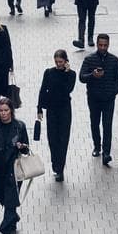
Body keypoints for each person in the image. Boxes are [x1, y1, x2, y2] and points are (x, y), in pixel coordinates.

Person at [0, 97, 30, 234]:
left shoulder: (19, 126)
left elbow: (26, 149)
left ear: (11, 110)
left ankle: (5, 231)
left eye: (6, 110)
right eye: (1, 111)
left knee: (11, 197)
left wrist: (21, 146)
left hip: (14, 168)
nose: (3, 114)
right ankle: (13, 218)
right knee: (5, 199)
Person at [80, 33, 118, 165]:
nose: (103, 47)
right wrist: (92, 75)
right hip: (94, 98)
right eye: (100, 45)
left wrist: (114, 92)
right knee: (94, 123)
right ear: (97, 44)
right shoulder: (89, 59)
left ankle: (106, 152)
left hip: (108, 99)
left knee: (107, 125)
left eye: (105, 45)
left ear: (108, 45)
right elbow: (82, 77)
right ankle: (97, 146)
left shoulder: (114, 60)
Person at [37, 50, 76, 182]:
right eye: (56, 62)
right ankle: (56, 164)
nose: (58, 64)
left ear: (66, 61)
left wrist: (67, 73)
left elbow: (68, 89)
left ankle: (60, 169)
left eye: (61, 62)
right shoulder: (49, 73)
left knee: (63, 139)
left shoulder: (71, 75)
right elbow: (43, 89)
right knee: (52, 139)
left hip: (65, 110)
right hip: (52, 110)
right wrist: (39, 108)